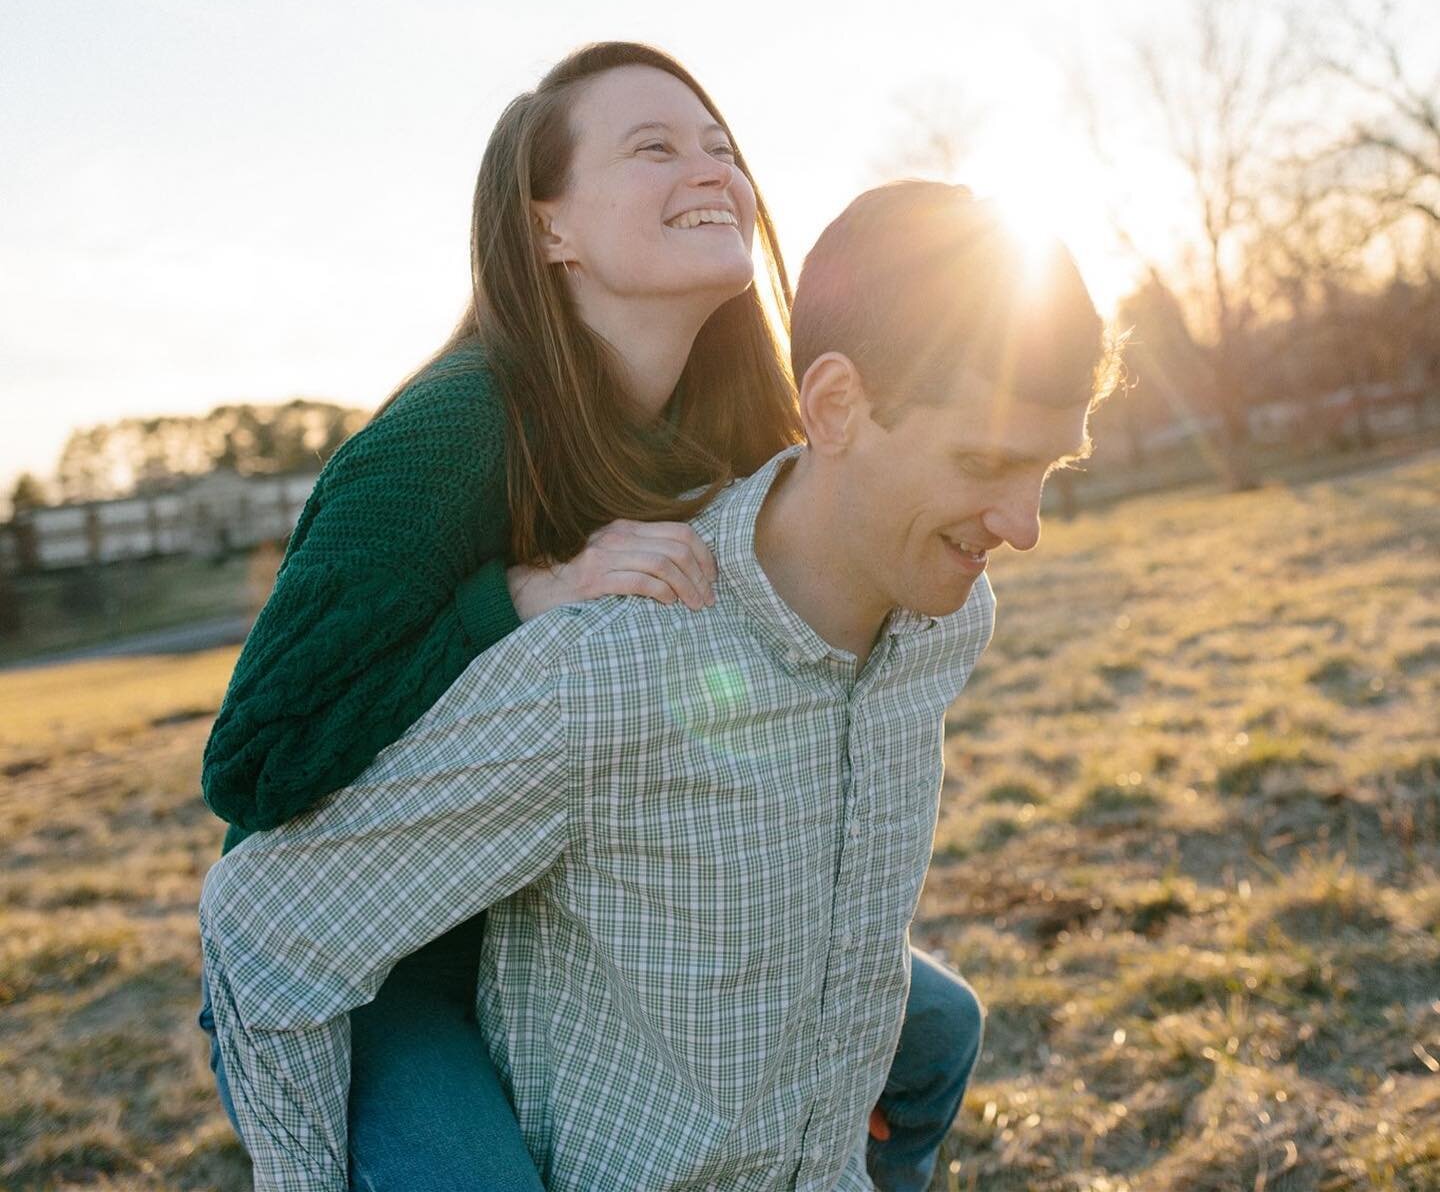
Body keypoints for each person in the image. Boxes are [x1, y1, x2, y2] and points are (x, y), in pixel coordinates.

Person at [200, 180, 1122, 1192]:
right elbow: (266, 916)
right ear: (835, 407)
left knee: (941, 1026)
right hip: (467, 985)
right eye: (985, 461)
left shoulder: (946, 616)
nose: (1025, 527)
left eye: (1050, 468)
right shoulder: (599, 654)